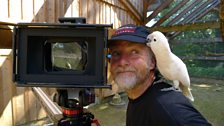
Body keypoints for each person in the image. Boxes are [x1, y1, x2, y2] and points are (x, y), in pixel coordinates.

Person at [108, 24, 211, 126]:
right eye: (116, 53)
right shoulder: (135, 97)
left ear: (152, 62)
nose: (122, 62)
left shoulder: (171, 108)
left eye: (134, 52)